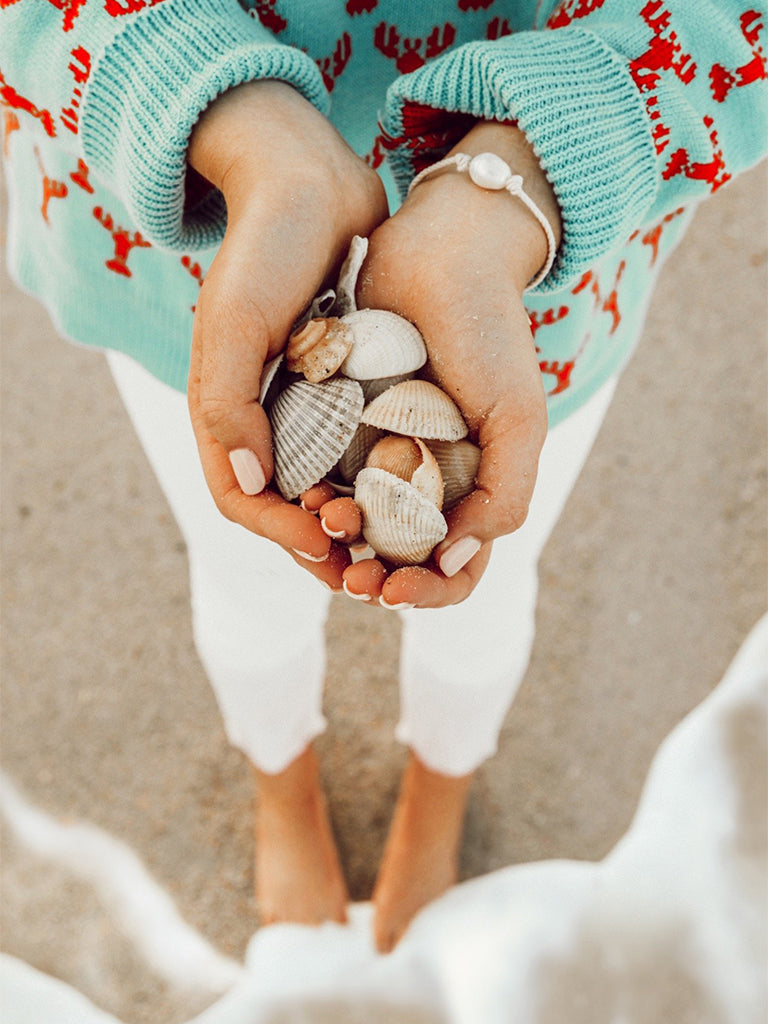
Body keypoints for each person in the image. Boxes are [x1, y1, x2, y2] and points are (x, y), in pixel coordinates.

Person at [2, 0, 765, 953]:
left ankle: (439, 791)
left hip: (529, 271)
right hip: (182, 231)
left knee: (480, 585)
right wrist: (236, 123)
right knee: (246, 576)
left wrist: (514, 178)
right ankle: (281, 780)